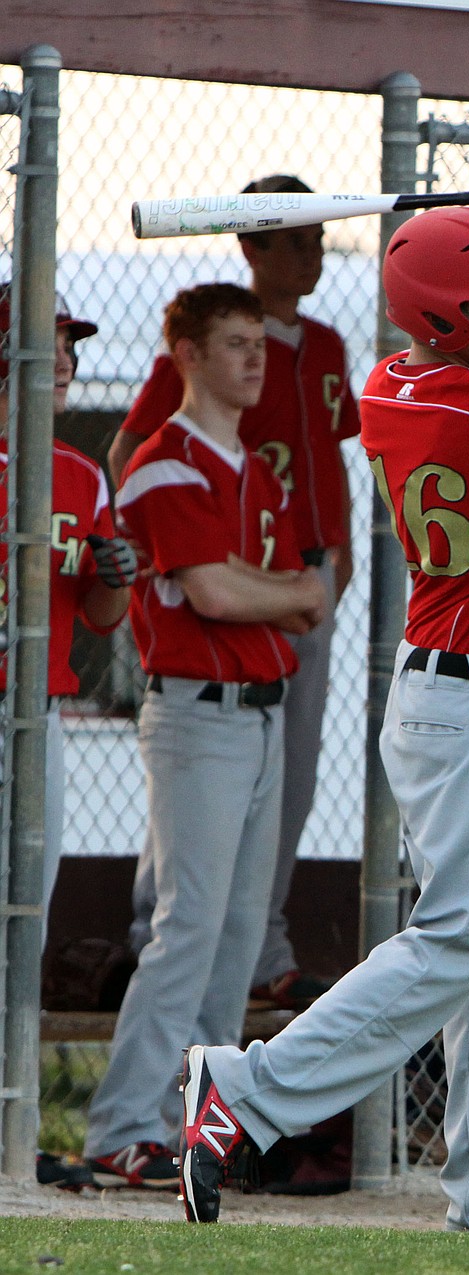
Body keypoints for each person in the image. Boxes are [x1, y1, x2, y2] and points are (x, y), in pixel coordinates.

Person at [173, 169, 469, 1233]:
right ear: (439, 314)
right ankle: (245, 1088)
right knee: (458, 943)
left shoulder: (396, 385)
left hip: (456, 702)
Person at [83, 282, 327, 1187]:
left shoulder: (257, 468)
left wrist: (255, 588)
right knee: (188, 926)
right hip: (196, 711)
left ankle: (197, 1121)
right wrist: (257, 589)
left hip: (262, 711)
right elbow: (223, 595)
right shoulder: (162, 463)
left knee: (232, 934)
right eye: (233, 343)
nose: (255, 358)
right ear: (185, 355)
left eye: (259, 343)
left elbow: (310, 595)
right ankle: (120, 1124)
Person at [110, 174, 359, 1012]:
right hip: (229, 575)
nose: (312, 250)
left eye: (318, 236)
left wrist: (339, 552)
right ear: (251, 246)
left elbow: (334, 455)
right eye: (293, 237)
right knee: (204, 765)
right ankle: (156, 934)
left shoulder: (324, 345)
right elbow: (131, 448)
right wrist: (176, 549)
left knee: (286, 769)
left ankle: (267, 944)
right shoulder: (213, 337)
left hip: (306, 567)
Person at [0, 286, 137, 1189]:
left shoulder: (78, 474)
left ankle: (12, 1131)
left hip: (38, 716)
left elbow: (96, 607)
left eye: (70, 345)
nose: (69, 360)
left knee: (25, 925)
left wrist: (116, 576)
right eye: (48, 345)